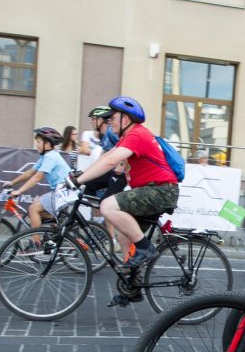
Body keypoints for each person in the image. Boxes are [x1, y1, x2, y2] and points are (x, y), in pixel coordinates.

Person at [74, 97, 179, 270]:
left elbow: (111, 162)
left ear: (125, 119)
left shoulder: (137, 134)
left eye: (112, 118)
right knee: (124, 237)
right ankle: (132, 287)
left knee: (107, 206)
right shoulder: (129, 136)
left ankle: (146, 249)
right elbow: (107, 157)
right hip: (156, 190)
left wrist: (79, 181)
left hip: (160, 190)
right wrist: (82, 175)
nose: (109, 123)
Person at [5, 128, 72, 247]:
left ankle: (36, 244)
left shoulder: (51, 157)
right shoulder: (45, 156)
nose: (36, 145)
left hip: (65, 191)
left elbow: (37, 177)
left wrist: (19, 191)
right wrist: (12, 183)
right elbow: (30, 173)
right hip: (62, 190)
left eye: (39, 142)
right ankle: (56, 227)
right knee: (37, 204)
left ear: (47, 144)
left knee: (33, 209)